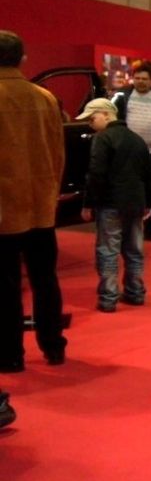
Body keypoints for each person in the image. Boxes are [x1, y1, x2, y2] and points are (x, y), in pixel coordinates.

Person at [0, 30, 67, 373]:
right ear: (22, 58)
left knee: (6, 286)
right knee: (45, 279)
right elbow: (58, 153)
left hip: (4, 208)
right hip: (41, 205)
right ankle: (53, 345)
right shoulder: (45, 98)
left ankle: (10, 354)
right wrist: (51, 192)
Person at [78, 98, 151, 312]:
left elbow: (96, 173)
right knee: (134, 249)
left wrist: (88, 203)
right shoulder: (136, 139)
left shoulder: (102, 139)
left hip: (111, 202)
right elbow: (149, 174)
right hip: (135, 202)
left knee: (108, 250)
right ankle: (135, 292)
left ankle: (108, 297)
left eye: (92, 118)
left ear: (106, 114)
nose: (90, 123)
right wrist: (149, 202)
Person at [113, 61, 151, 242]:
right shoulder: (121, 96)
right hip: (127, 154)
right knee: (127, 191)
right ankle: (125, 228)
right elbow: (111, 118)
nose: (140, 81)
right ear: (133, 78)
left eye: (144, 79)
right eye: (137, 78)